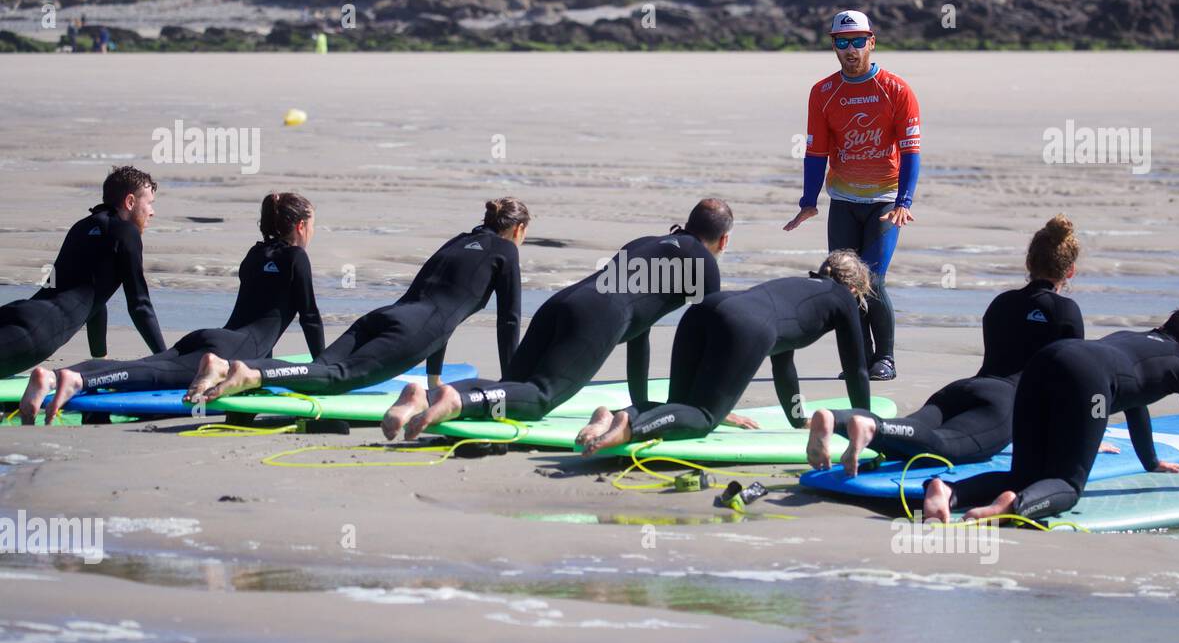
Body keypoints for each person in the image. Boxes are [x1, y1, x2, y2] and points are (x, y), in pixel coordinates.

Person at [388, 199, 734, 441]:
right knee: (539, 398)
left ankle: (425, 397)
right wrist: (701, 404)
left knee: (510, 390)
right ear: (723, 239)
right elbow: (700, 341)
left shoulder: (647, 242)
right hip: (598, 316)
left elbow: (639, 333)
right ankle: (456, 401)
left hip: (562, 303)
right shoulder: (704, 265)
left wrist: (640, 404)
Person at [808, 214, 1116, 471]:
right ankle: (870, 430)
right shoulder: (1067, 312)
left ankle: (837, 420)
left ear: (1029, 261)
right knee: (940, 448)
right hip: (1003, 406)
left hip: (961, 390)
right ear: (1070, 270)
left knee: (909, 430)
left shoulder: (1001, 303)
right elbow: (1071, 383)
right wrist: (1082, 435)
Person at [923, 306, 1179, 524]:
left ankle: (948, 491)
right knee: (1068, 484)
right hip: (1087, 381)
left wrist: (1150, 459)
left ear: (1165, 328)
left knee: (1025, 473)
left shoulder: (1129, 337)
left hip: (1046, 362)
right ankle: (1013, 506)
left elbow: (1134, 402)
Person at [186, 198, 529, 414]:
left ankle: (227, 367)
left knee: (319, 369)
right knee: (335, 379)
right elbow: (509, 321)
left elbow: (438, 306)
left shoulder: (458, 241)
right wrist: (512, 383)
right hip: (414, 331)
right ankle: (250, 373)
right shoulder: (506, 251)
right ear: (519, 229)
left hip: (384, 316)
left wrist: (434, 379)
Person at [23, 194, 324, 422]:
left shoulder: (255, 254)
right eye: (312, 225)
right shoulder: (297, 258)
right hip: (227, 353)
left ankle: (55, 376)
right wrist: (323, 369)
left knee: (144, 364)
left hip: (213, 338)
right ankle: (78, 380)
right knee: (150, 374)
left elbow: (260, 313)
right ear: (300, 226)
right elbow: (309, 318)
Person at [578, 250, 875, 455]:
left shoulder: (797, 288)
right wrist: (870, 423)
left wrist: (798, 419)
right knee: (704, 417)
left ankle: (614, 416)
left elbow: (784, 366)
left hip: (705, 310)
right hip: (745, 325)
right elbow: (857, 370)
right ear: (853, 288)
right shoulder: (843, 299)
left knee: (680, 405)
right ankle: (630, 426)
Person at [784, 9, 921, 382]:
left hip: (884, 202)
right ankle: (860, 358)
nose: (850, 49)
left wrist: (903, 203)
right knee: (843, 284)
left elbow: (911, 151)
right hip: (843, 201)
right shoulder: (823, 93)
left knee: (872, 280)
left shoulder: (896, 90)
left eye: (858, 41)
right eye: (842, 42)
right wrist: (808, 202)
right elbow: (816, 153)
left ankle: (886, 359)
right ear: (833, 45)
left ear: (871, 42)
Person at [3, 166, 164, 400]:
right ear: (130, 201)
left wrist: (99, 357)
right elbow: (140, 305)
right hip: (36, 334)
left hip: (19, 311)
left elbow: (95, 298)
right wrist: (168, 360)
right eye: (149, 203)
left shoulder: (81, 226)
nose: (152, 212)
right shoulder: (126, 233)